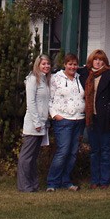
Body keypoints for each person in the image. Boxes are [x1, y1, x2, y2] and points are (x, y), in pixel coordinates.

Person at [78, 49, 110, 189]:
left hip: (106, 117)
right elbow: (71, 69)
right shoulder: (86, 74)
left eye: (101, 60)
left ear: (105, 62)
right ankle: (94, 180)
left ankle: (105, 181)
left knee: (106, 150)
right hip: (91, 118)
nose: (98, 62)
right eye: (96, 59)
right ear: (91, 60)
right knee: (94, 150)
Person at [46, 53, 85, 191]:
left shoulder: (79, 78)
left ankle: (66, 180)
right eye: (70, 64)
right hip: (63, 120)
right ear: (65, 64)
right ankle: (52, 182)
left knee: (73, 152)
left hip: (78, 119)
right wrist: (54, 114)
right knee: (63, 151)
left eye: (75, 64)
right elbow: (49, 98)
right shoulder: (56, 78)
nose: (73, 67)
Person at [17, 54, 52, 192]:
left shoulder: (45, 80)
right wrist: (37, 122)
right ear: (37, 65)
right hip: (33, 124)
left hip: (42, 124)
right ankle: (24, 186)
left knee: (33, 157)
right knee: (26, 157)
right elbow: (30, 103)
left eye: (48, 64)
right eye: (43, 64)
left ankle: (33, 185)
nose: (46, 66)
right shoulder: (32, 80)